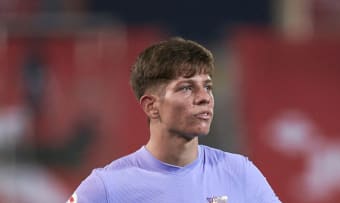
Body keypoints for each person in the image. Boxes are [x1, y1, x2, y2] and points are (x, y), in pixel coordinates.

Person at [67, 37, 281, 203]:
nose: (204, 97)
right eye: (187, 88)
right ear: (151, 106)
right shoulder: (107, 187)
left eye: (207, 87)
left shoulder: (240, 172)